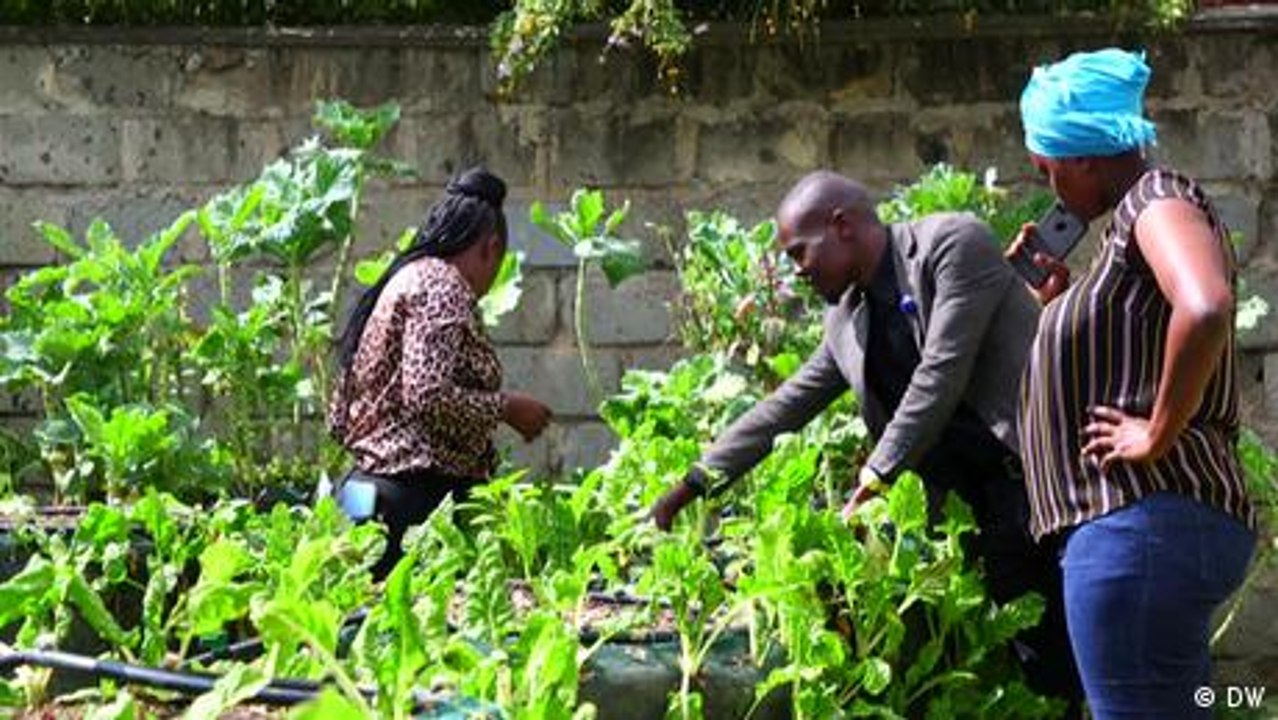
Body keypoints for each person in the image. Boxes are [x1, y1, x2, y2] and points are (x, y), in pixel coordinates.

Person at [650, 170, 1083, 710]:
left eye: (799, 252)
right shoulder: (847, 317)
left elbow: (940, 372)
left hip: (1043, 487)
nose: (797, 271)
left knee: (1090, 658)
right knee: (1034, 671)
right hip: (974, 513)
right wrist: (690, 485)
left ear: (842, 225)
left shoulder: (952, 244)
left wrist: (876, 475)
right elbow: (784, 407)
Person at [1011, 48, 1257, 719]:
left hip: (1139, 520)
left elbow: (1204, 305)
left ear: (1085, 158)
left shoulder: (1156, 199)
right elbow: (1143, 328)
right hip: (1139, 528)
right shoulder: (1129, 228)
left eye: (1048, 168)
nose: (1050, 187)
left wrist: (1157, 431)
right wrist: (1059, 304)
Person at [328, 167, 552, 578]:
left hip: (366, 491)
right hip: (413, 504)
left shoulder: (406, 278)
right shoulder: (442, 286)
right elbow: (426, 394)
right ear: (491, 249)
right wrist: (507, 408)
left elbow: (341, 413)